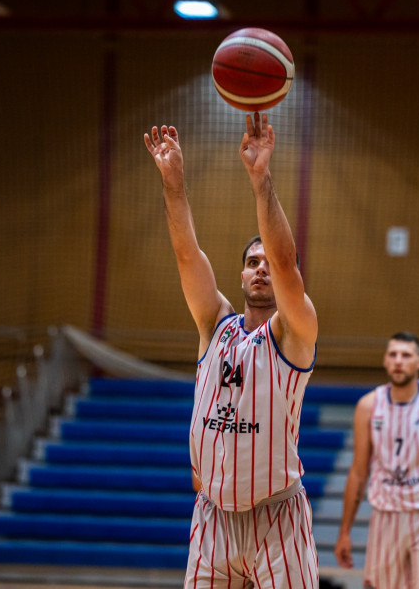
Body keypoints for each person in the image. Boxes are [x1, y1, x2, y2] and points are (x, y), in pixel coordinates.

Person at [143, 112, 319, 588]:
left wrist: (260, 177)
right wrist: (174, 185)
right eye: (251, 262)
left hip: (277, 517)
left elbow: (285, 261)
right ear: (240, 275)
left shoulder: (296, 330)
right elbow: (186, 254)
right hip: (213, 517)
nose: (262, 269)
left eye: (268, 264)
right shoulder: (214, 324)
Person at [334, 332, 419, 589]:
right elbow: (359, 472)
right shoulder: (368, 406)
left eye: (406, 355)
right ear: (385, 360)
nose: (398, 361)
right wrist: (344, 532)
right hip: (385, 517)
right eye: (393, 355)